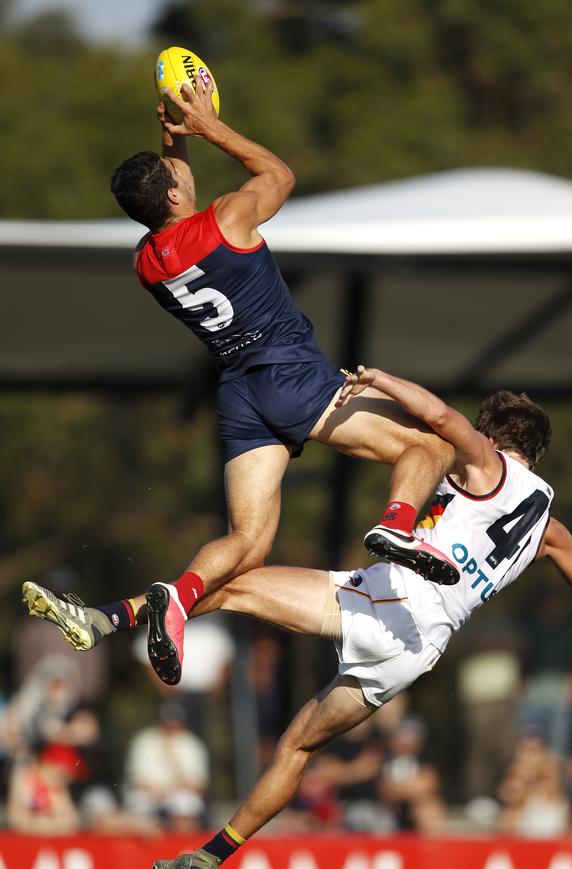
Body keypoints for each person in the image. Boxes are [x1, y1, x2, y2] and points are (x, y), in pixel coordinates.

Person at [22, 368, 572, 869]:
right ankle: (209, 857)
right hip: (419, 651)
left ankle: (105, 618)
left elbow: (439, 417)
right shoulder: (551, 531)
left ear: (494, 437)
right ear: (538, 454)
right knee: (298, 746)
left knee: (235, 584)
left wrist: (379, 379)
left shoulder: (484, 463)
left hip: (393, 597)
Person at [22, 75, 458, 687]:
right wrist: (208, 128)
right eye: (177, 176)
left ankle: (117, 614)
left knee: (247, 544)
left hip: (240, 395)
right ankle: (396, 524)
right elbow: (279, 175)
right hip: (291, 375)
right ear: (175, 192)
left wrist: (174, 137)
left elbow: (176, 209)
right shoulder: (228, 217)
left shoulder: (146, 261)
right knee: (429, 445)